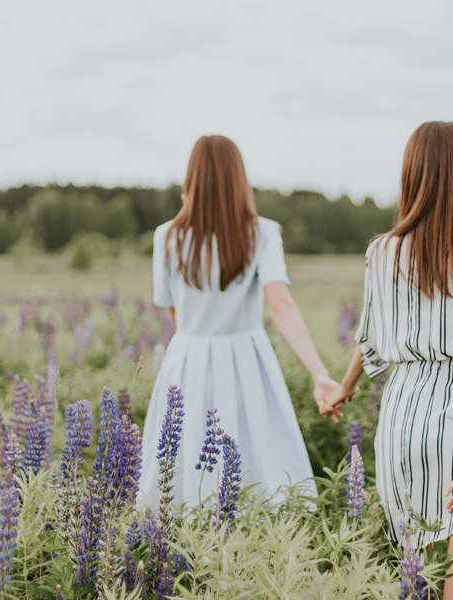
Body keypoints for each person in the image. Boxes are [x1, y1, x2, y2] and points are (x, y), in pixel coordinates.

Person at [323, 122, 453, 600]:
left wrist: (344, 389)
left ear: (412, 174)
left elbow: (369, 341)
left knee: (419, 590)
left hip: (401, 428)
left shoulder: (381, 251)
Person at [138, 135, 340, 507]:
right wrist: (318, 372)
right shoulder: (262, 231)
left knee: (180, 469)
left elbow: (171, 309)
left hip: (187, 357)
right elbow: (281, 306)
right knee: (260, 461)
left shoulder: (166, 234)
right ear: (239, 179)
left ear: (191, 179)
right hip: (247, 357)